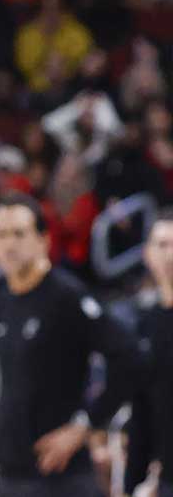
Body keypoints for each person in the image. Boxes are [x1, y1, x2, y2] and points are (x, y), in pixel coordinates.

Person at [0, 194, 141, 496]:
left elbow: (129, 357)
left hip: (61, 476)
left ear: (43, 240)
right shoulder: (2, 298)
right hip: (12, 474)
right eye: (0, 234)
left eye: (19, 233)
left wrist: (84, 426)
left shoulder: (66, 295)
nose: (9, 244)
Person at [126, 210, 173, 497]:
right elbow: (141, 406)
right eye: (162, 245)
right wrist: (131, 484)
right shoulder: (145, 323)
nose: (170, 255)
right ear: (147, 254)